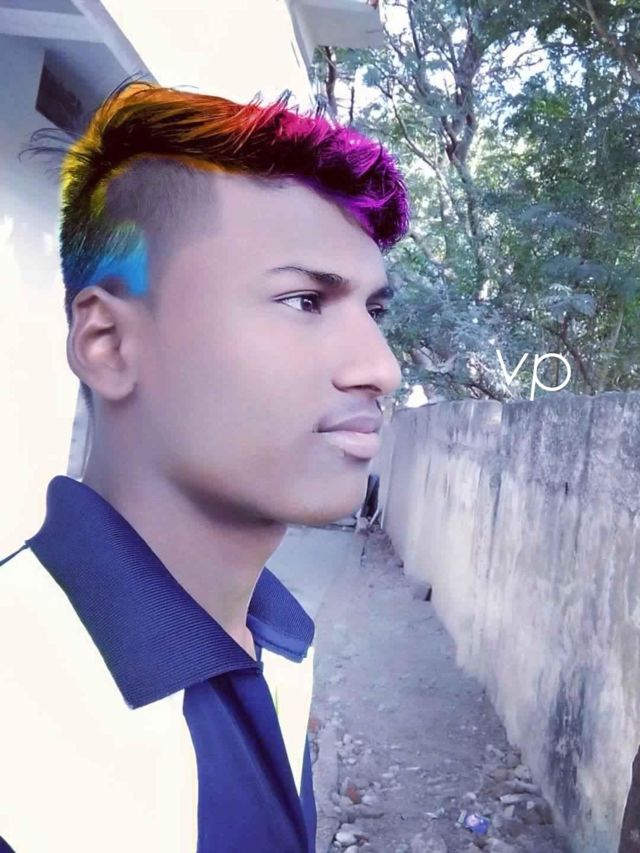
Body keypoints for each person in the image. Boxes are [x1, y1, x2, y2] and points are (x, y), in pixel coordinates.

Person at [0, 80, 410, 852]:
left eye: (374, 310)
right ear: (108, 345)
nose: (380, 367)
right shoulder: (19, 729)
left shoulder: (277, 636)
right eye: (303, 300)